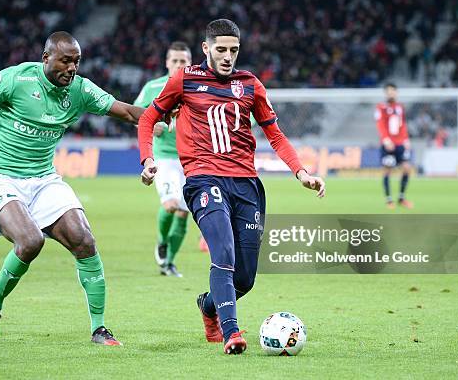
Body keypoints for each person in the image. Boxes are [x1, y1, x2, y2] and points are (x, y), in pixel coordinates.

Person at [0, 31, 148, 346]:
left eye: (76, 61)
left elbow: (128, 112)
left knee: (84, 240)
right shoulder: (15, 79)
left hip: (44, 178)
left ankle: (99, 328)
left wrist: (164, 115)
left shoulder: (80, 90)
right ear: (46, 58)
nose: (72, 68)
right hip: (0, 176)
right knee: (30, 241)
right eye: (65, 60)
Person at [138, 19, 325, 354]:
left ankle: (209, 306)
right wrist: (147, 159)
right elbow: (148, 117)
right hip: (203, 179)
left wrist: (301, 172)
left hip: (247, 185)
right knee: (222, 253)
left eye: (233, 50)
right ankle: (232, 333)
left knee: (245, 278)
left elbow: (275, 135)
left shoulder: (250, 84)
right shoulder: (185, 80)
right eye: (220, 49)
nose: (227, 56)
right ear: (206, 48)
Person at [134, 41, 192, 277]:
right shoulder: (153, 87)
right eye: (175, 61)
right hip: (165, 157)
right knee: (170, 205)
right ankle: (161, 241)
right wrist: (150, 123)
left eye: (183, 61)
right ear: (167, 63)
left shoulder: (199, 86)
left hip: (192, 157)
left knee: (183, 212)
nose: (179, 65)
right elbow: (136, 113)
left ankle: (169, 262)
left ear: (190, 63)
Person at [375, 83, 413, 209]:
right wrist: (385, 139)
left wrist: (406, 139)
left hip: (400, 143)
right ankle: (389, 200)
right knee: (387, 169)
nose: (391, 93)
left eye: (393, 91)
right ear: (385, 93)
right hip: (388, 145)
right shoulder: (380, 107)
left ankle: (401, 198)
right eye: (388, 91)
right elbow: (380, 124)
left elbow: (403, 124)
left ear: (396, 92)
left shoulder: (400, 107)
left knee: (407, 168)